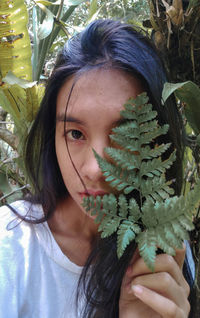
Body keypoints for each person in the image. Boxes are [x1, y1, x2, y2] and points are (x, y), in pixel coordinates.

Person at [0, 19, 195, 318]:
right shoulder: (9, 249)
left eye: (125, 135)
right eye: (75, 134)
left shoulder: (165, 245)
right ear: (53, 135)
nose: (95, 169)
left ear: (157, 141)